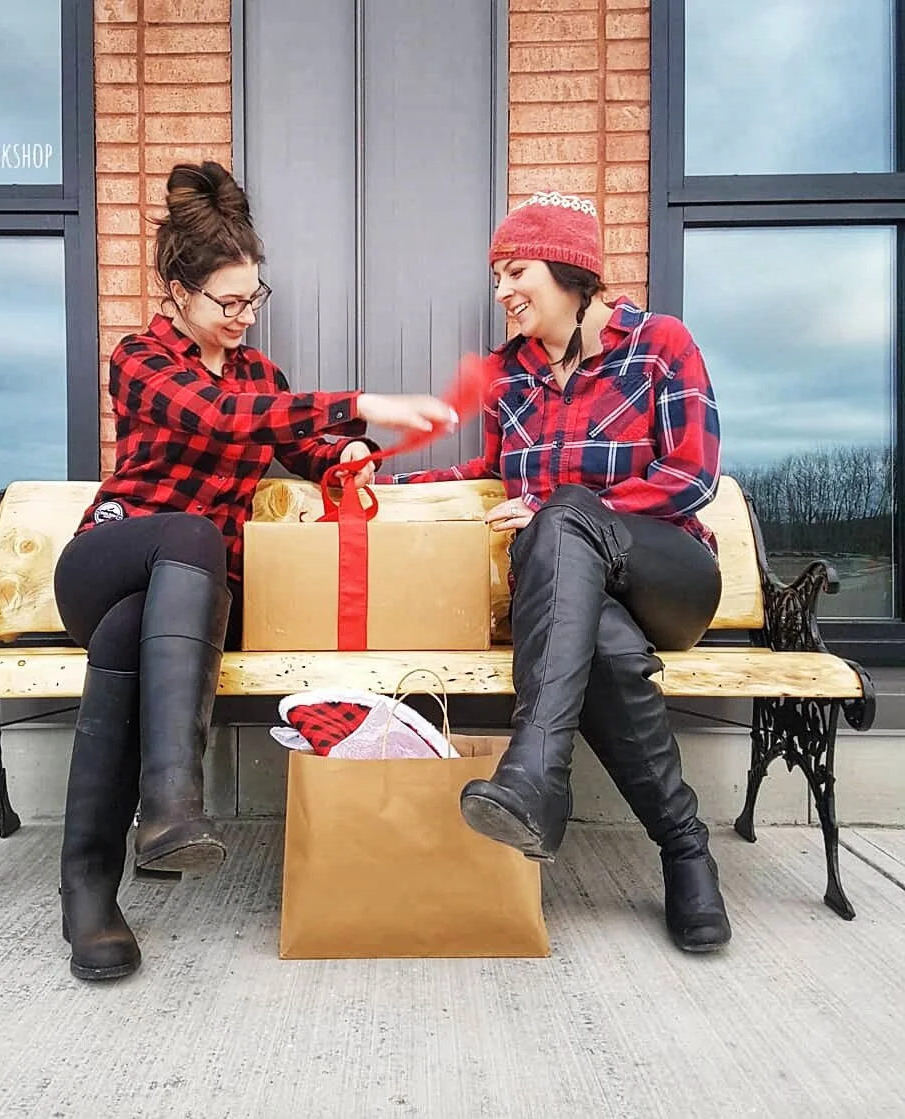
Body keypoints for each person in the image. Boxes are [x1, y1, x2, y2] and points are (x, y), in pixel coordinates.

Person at [53, 161, 455, 981]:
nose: (242, 317)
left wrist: (347, 451)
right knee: (192, 535)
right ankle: (171, 804)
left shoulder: (261, 378)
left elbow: (296, 442)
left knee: (135, 633)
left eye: (252, 299)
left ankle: (89, 890)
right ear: (175, 291)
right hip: (108, 556)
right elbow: (219, 418)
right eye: (225, 302)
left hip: (180, 606)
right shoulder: (140, 360)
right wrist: (361, 402)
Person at [382, 190, 731, 953]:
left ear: (571, 271)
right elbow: (486, 470)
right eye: (496, 277)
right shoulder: (509, 376)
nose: (501, 291)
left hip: (669, 575)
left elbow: (694, 475)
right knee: (602, 639)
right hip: (578, 599)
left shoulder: (660, 344)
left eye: (516, 271)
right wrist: (376, 480)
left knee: (564, 514)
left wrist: (559, 508)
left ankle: (539, 768)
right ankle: (685, 849)